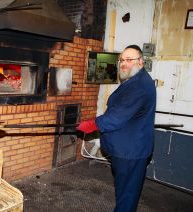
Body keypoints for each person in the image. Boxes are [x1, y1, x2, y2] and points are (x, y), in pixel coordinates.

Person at [77, 45, 156, 212]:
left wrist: (92, 124)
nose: (123, 63)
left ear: (140, 62)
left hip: (130, 152)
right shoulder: (135, 80)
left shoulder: (139, 86)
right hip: (127, 149)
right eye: (121, 60)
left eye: (129, 60)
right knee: (124, 191)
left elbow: (116, 117)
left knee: (127, 196)